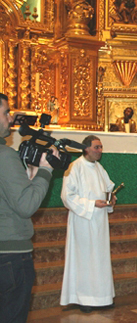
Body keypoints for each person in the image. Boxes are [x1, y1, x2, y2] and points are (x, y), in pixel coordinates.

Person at [0, 93, 57, 322]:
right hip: (10, 257)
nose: (10, 118)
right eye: (5, 112)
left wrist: (30, 178)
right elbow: (25, 206)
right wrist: (45, 170)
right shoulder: (4, 156)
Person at [60, 135, 116, 313]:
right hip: (82, 220)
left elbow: (108, 188)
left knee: (99, 258)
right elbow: (67, 196)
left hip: (99, 221)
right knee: (84, 259)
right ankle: (84, 297)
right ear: (86, 149)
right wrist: (92, 204)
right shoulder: (75, 167)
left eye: (101, 147)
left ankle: (102, 296)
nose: (100, 151)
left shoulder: (99, 168)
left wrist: (111, 198)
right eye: (96, 147)